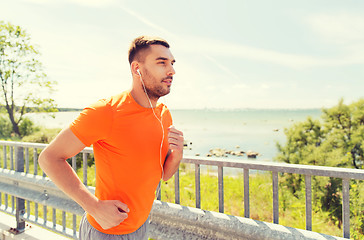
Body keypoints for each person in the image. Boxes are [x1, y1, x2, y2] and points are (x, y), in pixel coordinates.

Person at [38, 36, 184, 240]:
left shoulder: (163, 113)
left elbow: (163, 175)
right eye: (162, 63)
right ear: (137, 69)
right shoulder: (106, 111)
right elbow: (49, 158)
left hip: (141, 226)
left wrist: (176, 156)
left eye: (172, 63)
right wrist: (93, 206)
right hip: (106, 233)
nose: (172, 71)